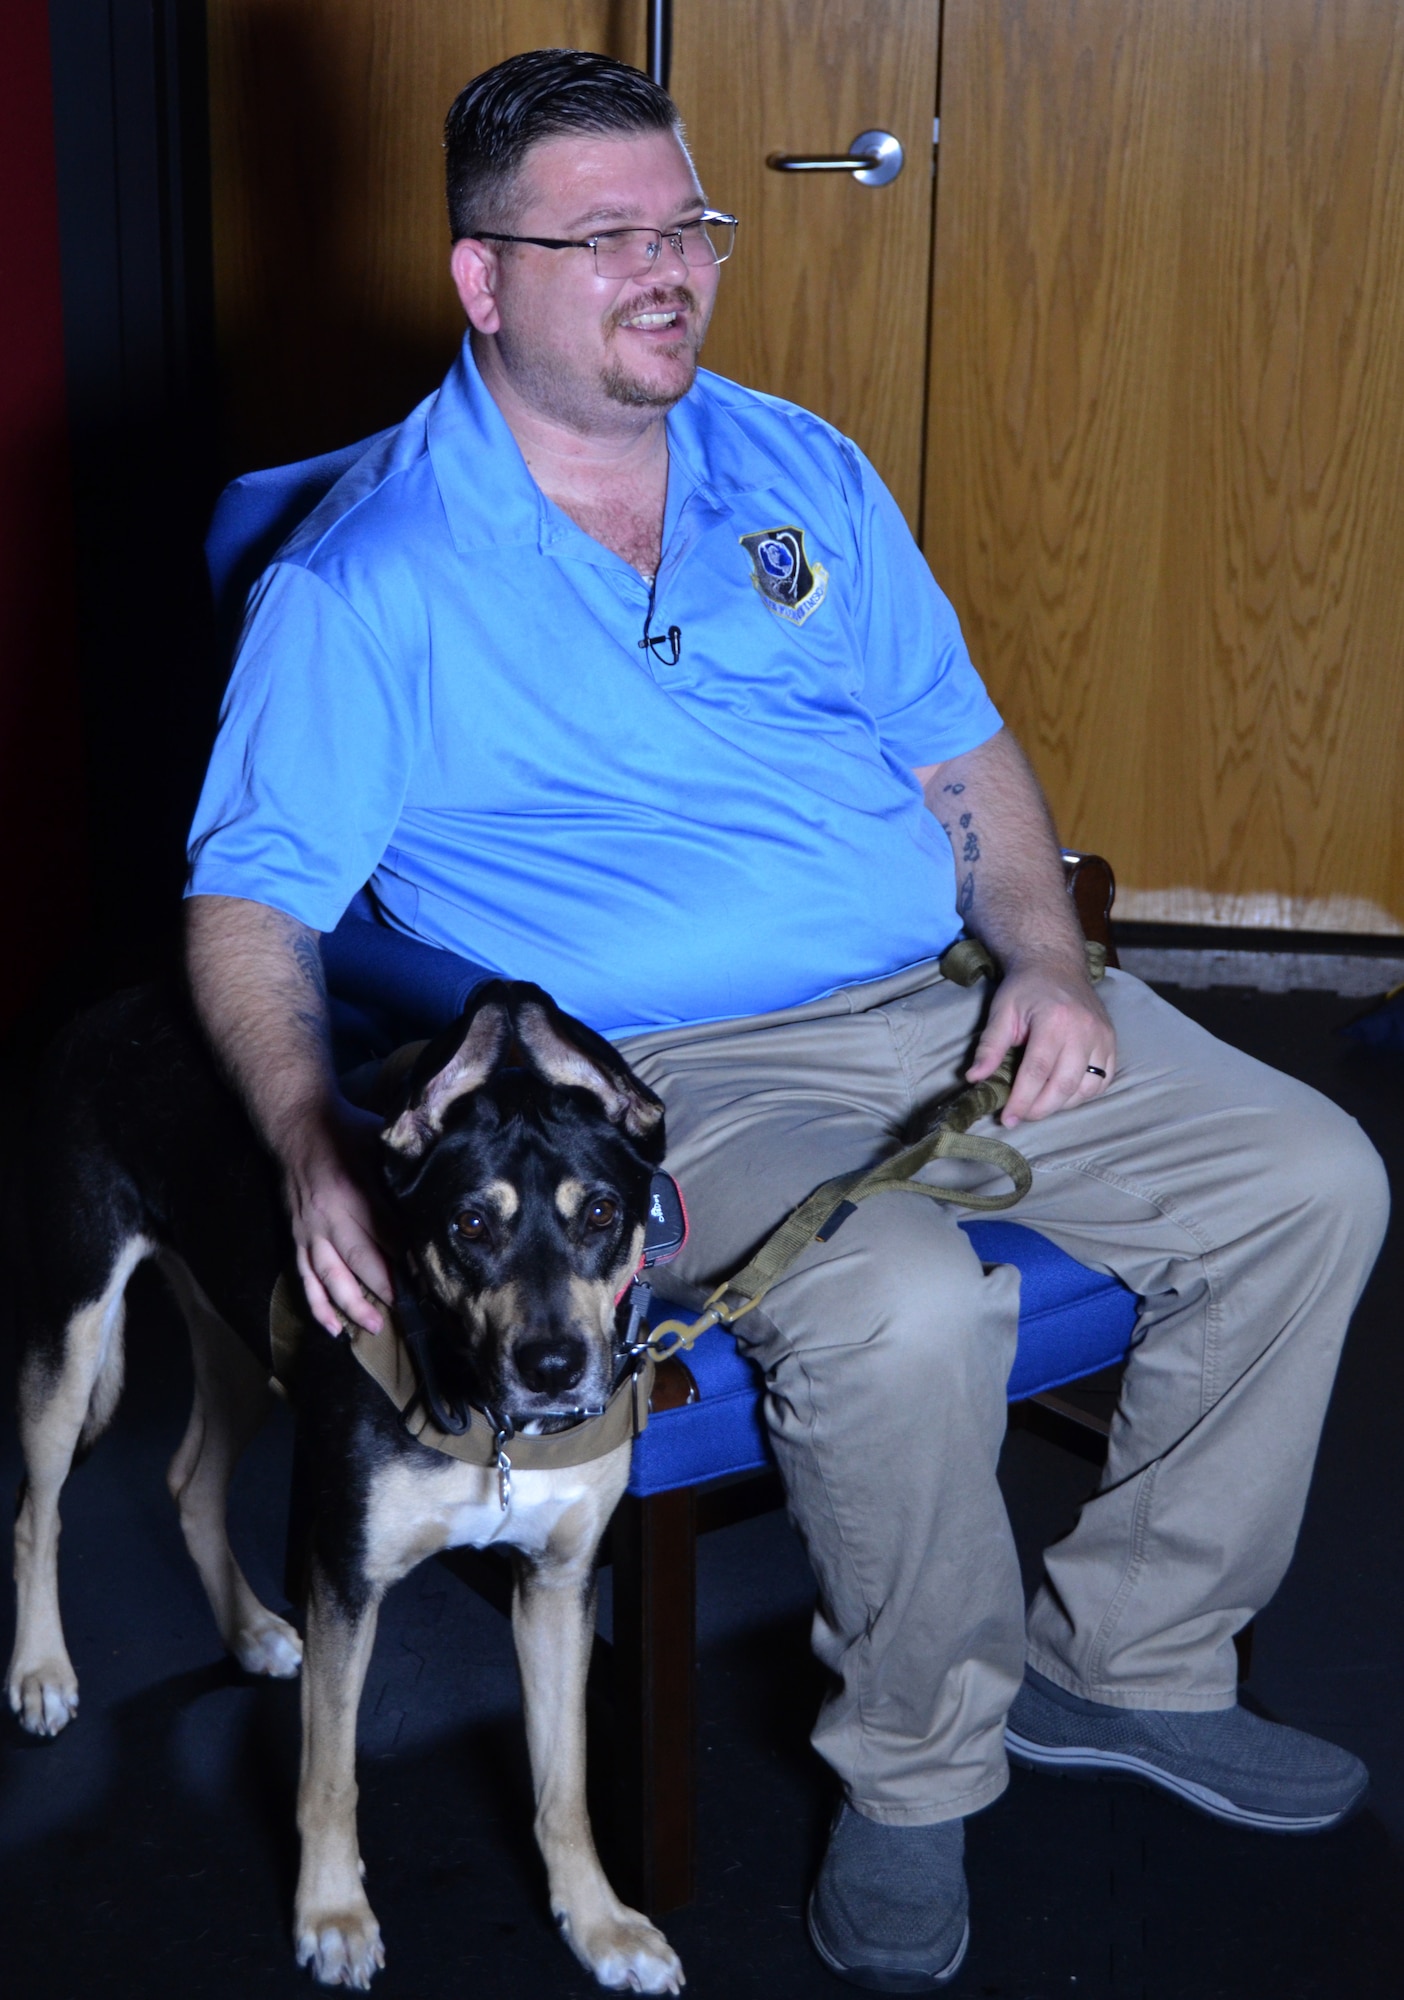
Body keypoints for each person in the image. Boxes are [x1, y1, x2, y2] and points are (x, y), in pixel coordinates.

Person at [184, 48, 1389, 1991]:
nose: (670, 272)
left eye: (692, 228)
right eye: (608, 241)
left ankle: (1132, 1659)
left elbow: (970, 762)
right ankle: (918, 1779)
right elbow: (249, 906)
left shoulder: (799, 467)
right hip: (664, 1082)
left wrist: (1051, 961)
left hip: (937, 999)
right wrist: (316, 1137)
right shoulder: (369, 579)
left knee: (1312, 1173)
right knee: (906, 1302)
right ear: (484, 281)